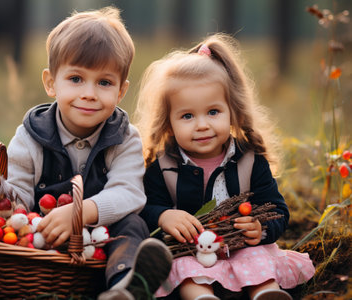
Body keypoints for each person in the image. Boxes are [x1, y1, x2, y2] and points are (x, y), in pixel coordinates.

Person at [0, 7, 172, 299]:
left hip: (102, 238)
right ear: (51, 83)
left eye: (104, 82)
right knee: (15, 226)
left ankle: (126, 285)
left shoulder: (124, 137)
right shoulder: (30, 136)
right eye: (76, 79)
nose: (89, 93)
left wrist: (79, 213)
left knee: (133, 224)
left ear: (121, 91)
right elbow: (21, 205)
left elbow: (130, 194)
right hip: (46, 233)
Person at [135, 33, 315, 300]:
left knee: (256, 257)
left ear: (232, 111)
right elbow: (144, 208)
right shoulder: (164, 166)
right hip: (192, 252)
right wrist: (163, 216)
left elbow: (276, 208)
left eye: (213, 112)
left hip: (241, 248)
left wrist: (260, 228)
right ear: (168, 124)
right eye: (187, 116)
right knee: (182, 266)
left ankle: (265, 292)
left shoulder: (249, 160)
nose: (202, 125)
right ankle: (200, 296)